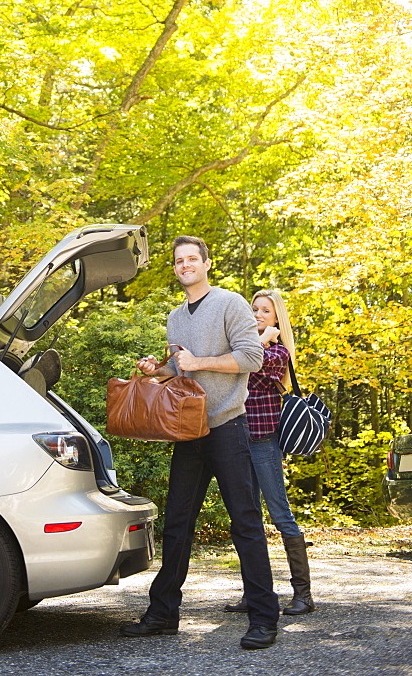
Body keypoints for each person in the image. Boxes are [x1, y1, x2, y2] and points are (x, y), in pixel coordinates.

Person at [119, 236, 280, 650]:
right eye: (179, 261)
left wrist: (199, 361)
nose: (185, 265)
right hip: (188, 431)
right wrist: (159, 370)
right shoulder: (175, 316)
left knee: (244, 523)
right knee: (177, 525)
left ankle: (264, 617)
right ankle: (162, 613)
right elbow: (181, 368)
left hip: (228, 427)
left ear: (207, 263)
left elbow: (252, 358)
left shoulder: (230, 303)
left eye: (192, 259)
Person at [224, 289, 315, 616]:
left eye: (266, 311)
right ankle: (255, 594)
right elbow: (230, 365)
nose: (259, 314)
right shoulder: (242, 345)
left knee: (280, 515)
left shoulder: (278, 352)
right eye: (254, 309)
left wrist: (262, 340)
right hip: (236, 441)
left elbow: (253, 366)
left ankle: (303, 595)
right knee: (246, 519)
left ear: (276, 319)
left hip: (263, 442)